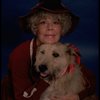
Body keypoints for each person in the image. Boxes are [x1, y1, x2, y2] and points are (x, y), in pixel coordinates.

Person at [1, 0, 96, 100]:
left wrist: (77, 96)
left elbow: (92, 82)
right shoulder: (19, 55)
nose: (50, 27)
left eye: (56, 22)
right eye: (43, 22)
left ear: (62, 28)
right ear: (35, 27)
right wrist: (46, 80)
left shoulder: (65, 51)